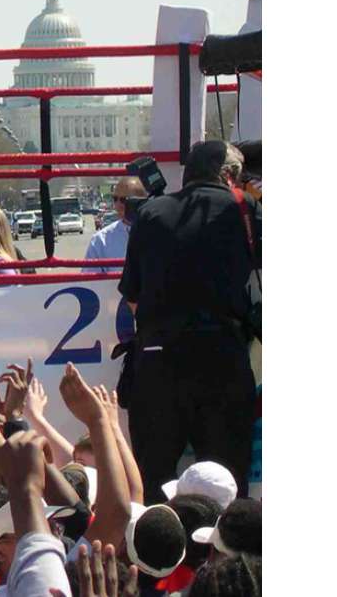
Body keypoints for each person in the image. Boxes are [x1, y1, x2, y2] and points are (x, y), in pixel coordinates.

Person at [119, 140, 260, 499]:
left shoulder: (150, 213)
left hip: (157, 360)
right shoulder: (244, 208)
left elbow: (132, 295)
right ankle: (224, 552)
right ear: (230, 175)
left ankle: (156, 552)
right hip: (222, 357)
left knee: (155, 480)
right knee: (226, 480)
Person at [84, 177, 148, 270]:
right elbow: (89, 280)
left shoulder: (160, 232)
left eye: (124, 199)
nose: (118, 205)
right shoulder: (101, 240)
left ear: (142, 201)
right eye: (115, 199)